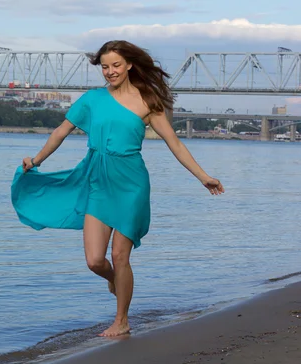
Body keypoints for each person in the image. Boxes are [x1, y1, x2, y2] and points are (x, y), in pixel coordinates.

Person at [11, 40, 225, 337]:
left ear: (129, 66)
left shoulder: (148, 101)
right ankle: (114, 279)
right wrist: (35, 160)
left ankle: (121, 321)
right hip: (97, 179)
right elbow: (61, 132)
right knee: (95, 260)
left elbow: (174, 143)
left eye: (115, 65)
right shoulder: (91, 100)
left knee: (121, 255)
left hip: (130, 183)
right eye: (105, 67)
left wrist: (203, 177)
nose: (110, 72)